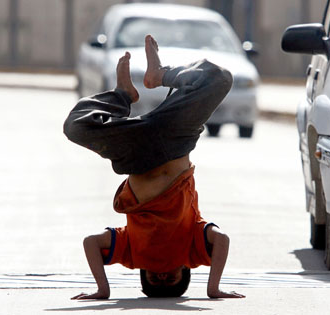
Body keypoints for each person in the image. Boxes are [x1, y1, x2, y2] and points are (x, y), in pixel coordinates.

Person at [64, 35, 245, 300]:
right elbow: (222, 240)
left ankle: (122, 95)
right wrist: (212, 288)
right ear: (185, 270)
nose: (161, 275)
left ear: (142, 272)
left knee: (75, 127)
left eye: (154, 280)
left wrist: (102, 290)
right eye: (169, 279)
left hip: (135, 153)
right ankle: (160, 75)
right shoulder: (193, 250)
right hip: (176, 140)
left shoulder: (130, 253)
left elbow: (91, 243)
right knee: (220, 78)